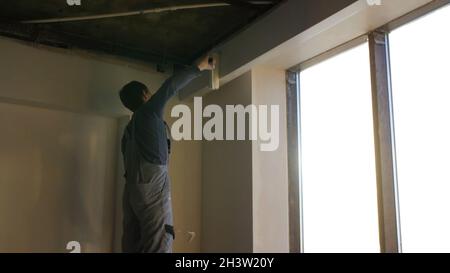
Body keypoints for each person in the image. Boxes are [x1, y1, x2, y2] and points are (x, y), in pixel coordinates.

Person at [119, 55, 214, 253]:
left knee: (133, 241)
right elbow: (171, 86)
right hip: (152, 188)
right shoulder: (149, 112)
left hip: (132, 192)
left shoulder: (129, 130)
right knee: (160, 239)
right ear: (145, 94)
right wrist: (201, 66)